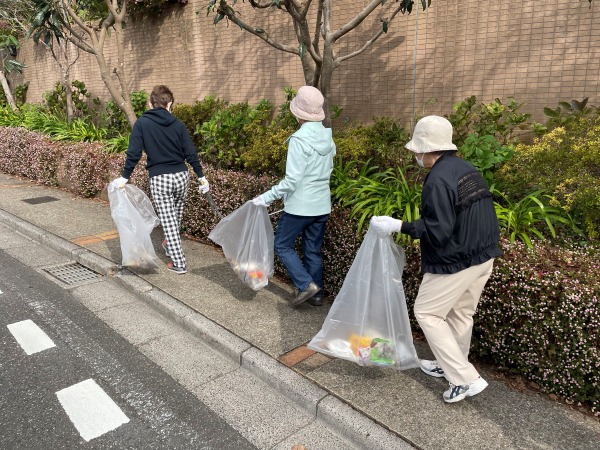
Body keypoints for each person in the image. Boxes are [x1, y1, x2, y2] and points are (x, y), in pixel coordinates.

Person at [370, 115, 502, 403]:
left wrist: (399, 225)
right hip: (483, 255)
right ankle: (450, 364)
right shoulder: (466, 168)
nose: (416, 155)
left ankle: (465, 379)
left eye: (418, 149)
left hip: (456, 260)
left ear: (428, 149)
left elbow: (438, 230)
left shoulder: (438, 179)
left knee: (427, 313)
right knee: (460, 314)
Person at [252, 86, 336, 307]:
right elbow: (329, 169)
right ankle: (317, 295)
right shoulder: (328, 137)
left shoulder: (299, 140)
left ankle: (306, 285)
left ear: (298, 113)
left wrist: (267, 197)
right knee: (312, 249)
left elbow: (292, 180)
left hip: (300, 207)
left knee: (282, 245)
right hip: (322, 205)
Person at [113, 85, 209, 275]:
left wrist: (124, 177)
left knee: (170, 221)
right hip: (182, 176)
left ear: (150, 103)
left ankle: (179, 262)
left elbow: (134, 153)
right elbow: (191, 153)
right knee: (176, 215)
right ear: (170, 103)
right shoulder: (178, 124)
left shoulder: (142, 123)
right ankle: (168, 242)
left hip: (160, 177)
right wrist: (201, 177)